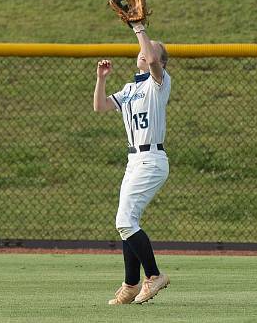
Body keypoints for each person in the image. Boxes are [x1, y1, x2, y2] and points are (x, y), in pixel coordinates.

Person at [93, 20, 171, 305]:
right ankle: (130, 284)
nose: (145, 52)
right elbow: (100, 107)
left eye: (152, 51)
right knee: (128, 221)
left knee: (125, 220)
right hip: (134, 160)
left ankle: (153, 276)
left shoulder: (158, 83)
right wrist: (101, 78)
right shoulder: (129, 88)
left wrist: (139, 27)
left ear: (159, 62)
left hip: (152, 159)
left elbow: (150, 57)